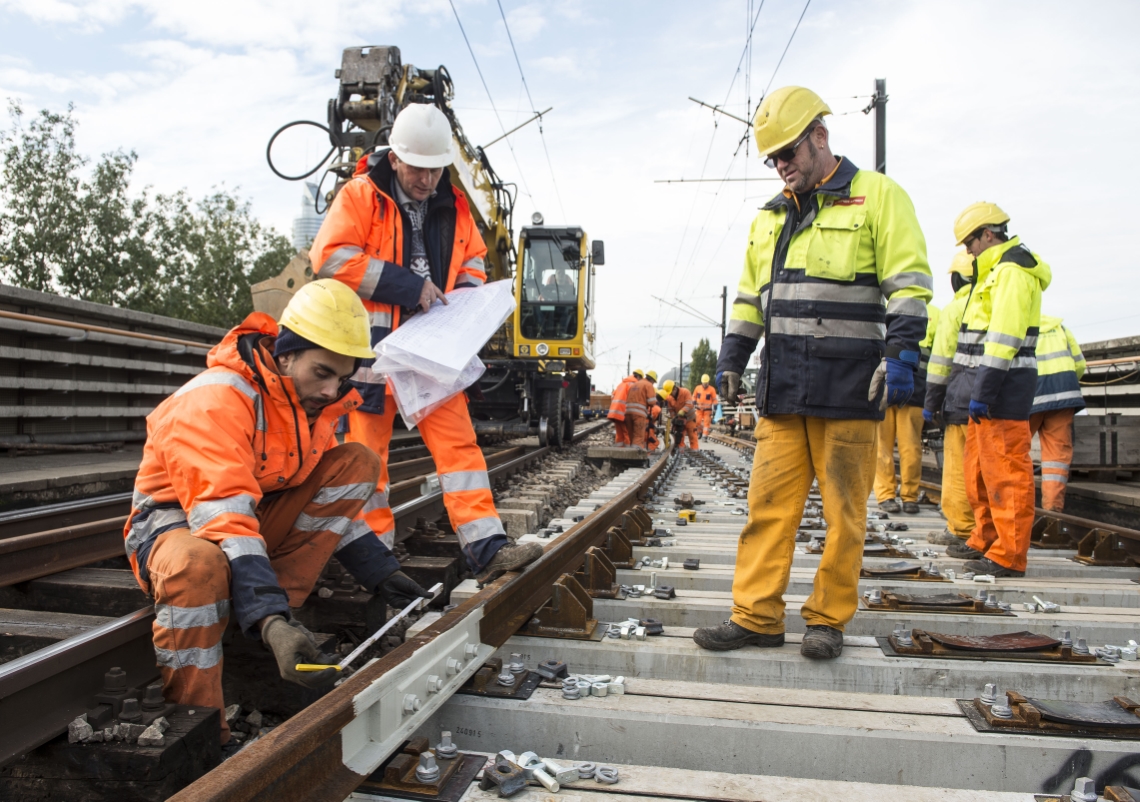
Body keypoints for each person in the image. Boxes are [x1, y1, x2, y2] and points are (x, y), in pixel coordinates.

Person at [123, 281, 433, 745]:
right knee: (198, 566)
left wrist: (381, 572)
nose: (332, 391)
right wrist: (269, 618)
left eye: (342, 378)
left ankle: (272, 615)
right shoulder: (215, 400)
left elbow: (317, 500)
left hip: (246, 517)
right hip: (178, 523)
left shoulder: (301, 403)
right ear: (285, 354)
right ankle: (202, 727)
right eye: (322, 372)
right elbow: (225, 515)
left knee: (357, 462)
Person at [696, 86, 932, 660]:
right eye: (773, 159)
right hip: (783, 389)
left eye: (788, 154)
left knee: (844, 513)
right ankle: (756, 617)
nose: (781, 167)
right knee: (767, 507)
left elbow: (908, 285)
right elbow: (752, 299)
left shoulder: (877, 197)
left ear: (819, 138)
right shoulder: (770, 218)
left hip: (850, 388)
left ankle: (827, 618)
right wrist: (732, 359)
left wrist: (901, 355)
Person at [309, 103, 541, 585]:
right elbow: (330, 258)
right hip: (372, 358)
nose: (426, 180)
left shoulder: (453, 206)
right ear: (394, 158)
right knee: (367, 463)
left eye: (435, 170)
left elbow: (474, 262)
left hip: (432, 352)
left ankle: (486, 546)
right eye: (417, 168)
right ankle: (375, 567)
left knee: (460, 449)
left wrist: (464, 300)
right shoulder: (360, 196)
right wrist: (408, 287)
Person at [942, 202, 1051, 578]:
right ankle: (986, 537)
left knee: (1006, 472)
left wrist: (985, 390)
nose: (968, 251)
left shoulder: (1012, 272)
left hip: (1001, 389)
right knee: (980, 471)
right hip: (984, 389)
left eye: (970, 243)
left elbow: (1004, 339)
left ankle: (1009, 553)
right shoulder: (994, 273)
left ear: (988, 234)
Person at [924, 250, 978, 546]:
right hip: (995, 401)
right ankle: (986, 530)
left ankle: (961, 528)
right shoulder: (995, 301)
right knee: (987, 470)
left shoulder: (955, 310)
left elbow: (941, 360)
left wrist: (932, 402)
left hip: (961, 402)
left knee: (958, 469)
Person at [874, 302, 939, 514]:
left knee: (882, 446)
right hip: (915, 389)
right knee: (910, 446)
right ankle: (909, 497)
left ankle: (886, 495)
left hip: (886, 386)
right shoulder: (933, 314)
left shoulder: (881, 309)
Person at [1030, 316, 1086, 511]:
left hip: (1029, 397)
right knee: (1057, 460)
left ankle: (1015, 509)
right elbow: (1079, 365)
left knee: (1012, 452)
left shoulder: (1020, 325)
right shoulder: (1060, 328)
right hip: (1062, 397)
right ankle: (1052, 512)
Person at [659, 379, 698, 450]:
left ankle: (695, 451)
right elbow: (671, 409)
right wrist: (674, 417)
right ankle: (680, 453)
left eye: (671, 392)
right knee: (679, 437)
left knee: (692, 437)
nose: (671, 394)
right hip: (680, 420)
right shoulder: (669, 397)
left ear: (675, 388)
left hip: (690, 419)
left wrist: (683, 411)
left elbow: (689, 404)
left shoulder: (685, 392)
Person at [608, 370, 642, 445]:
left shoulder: (621, 384)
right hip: (624, 413)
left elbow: (613, 396)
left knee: (619, 434)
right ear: (639, 377)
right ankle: (628, 452)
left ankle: (619, 452)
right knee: (627, 433)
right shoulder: (634, 385)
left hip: (614, 412)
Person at [624, 370, 657, 449]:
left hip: (628, 413)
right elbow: (651, 402)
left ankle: (631, 453)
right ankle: (637, 456)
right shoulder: (648, 385)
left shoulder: (634, 385)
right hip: (639, 414)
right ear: (652, 380)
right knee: (638, 437)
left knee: (632, 436)